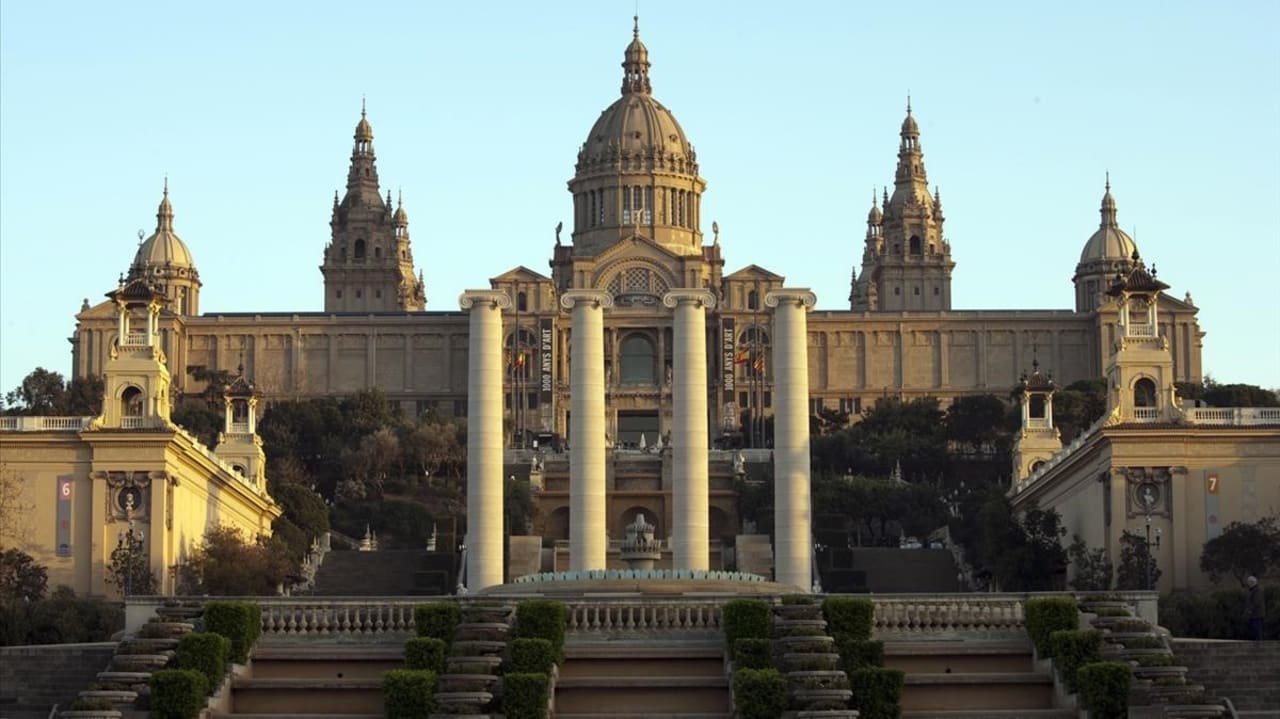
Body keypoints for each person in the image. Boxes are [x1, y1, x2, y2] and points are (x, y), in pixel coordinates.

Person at [1245, 575, 1265, 641]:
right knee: (1253, 632)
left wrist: (1250, 610)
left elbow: (1256, 602)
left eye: (1248, 582)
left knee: (1258, 631)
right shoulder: (1252, 590)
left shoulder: (1257, 590)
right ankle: (1255, 646)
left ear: (1252, 582)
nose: (1248, 584)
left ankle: (1260, 646)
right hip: (1253, 615)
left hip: (1257, 615)